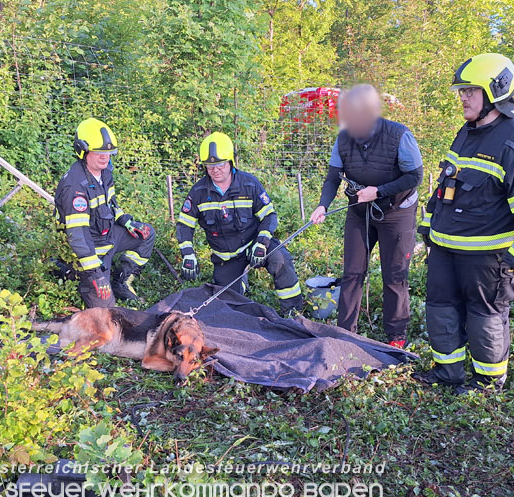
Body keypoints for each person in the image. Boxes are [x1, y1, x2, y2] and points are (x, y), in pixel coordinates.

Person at [413, 53, 514, 393]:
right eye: (461, 90)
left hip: (488, 256)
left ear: (495, 91)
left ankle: (488, 383)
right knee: (440, 309)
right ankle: (448, 374)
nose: (462, 97)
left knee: (485, 316)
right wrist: (427, 229)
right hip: (446, 248)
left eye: (470, 90)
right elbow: (446, 183)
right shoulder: (468, 131)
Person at [310, 84, 423, 348]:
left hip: (398, 211)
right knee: (352, 271)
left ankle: (396, 336)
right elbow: (332, 178)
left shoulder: (399, 135)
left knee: (394, 275)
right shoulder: (344, 138)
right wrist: (323, 205)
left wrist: (380, 191)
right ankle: (346, 332)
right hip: (359, 211)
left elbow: (415, 176)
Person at [176, 132, 303, 315]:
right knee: (228, 308)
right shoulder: (198, 192)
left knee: (280, 259)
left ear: (230, 162)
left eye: (219, 164)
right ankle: (240, 280)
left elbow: (269, 216)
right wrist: (188, 254)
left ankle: (293, 311)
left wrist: (262, 242)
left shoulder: (249, 184)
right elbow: (184, 225)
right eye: (210, 166)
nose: (215, 170)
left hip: (254, 246)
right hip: (226, 257)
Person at [54, 118, 155, 307]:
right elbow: (78, 237)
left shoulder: (105, 173)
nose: (104, 157)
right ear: (83, 151)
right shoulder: (74, 186)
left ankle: (121, 280)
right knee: (108, 312)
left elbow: (111, 206)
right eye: (99, 152)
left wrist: (126, 221)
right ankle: (76, 276)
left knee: (147, 234)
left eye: (108, 152)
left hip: (108, 238)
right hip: (90, 255)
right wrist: (96, 275)